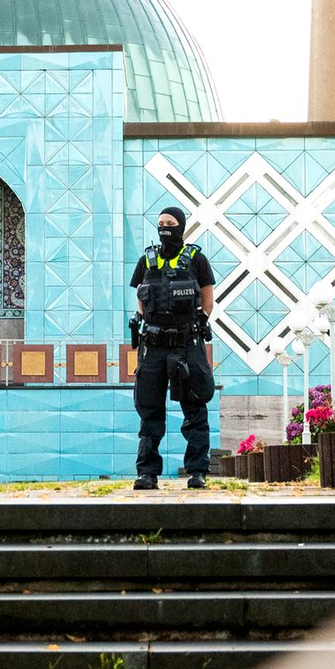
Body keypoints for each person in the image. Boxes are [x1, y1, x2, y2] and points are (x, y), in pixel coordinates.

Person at [129, 206, 216, 490]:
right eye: (161, 223)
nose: (165, 228)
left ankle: (197, 471)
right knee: (149, 410)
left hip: (186, 342)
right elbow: (140, 295)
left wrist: (201, 319)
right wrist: (142, 318)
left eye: (170, 223)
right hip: (153, 345)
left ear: (181, 227)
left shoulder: (197, 259)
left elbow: (207, 299)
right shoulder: (146, 260)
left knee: (195, 408)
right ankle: (147, 474)